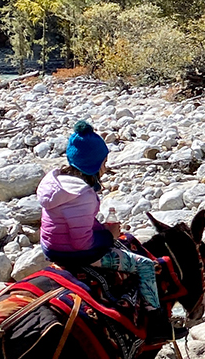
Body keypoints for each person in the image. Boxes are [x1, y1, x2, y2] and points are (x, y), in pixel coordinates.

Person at [37, 121, 162, 315]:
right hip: (75, 254)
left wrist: (99, 228)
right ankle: (157, 320)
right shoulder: (83, 194)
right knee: (145, 266)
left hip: (50, 247)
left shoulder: (55, 184)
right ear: (94, 165)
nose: (105, 167)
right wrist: (109, 236)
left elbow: (68, 222)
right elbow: (82, 244)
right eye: (103, 162)